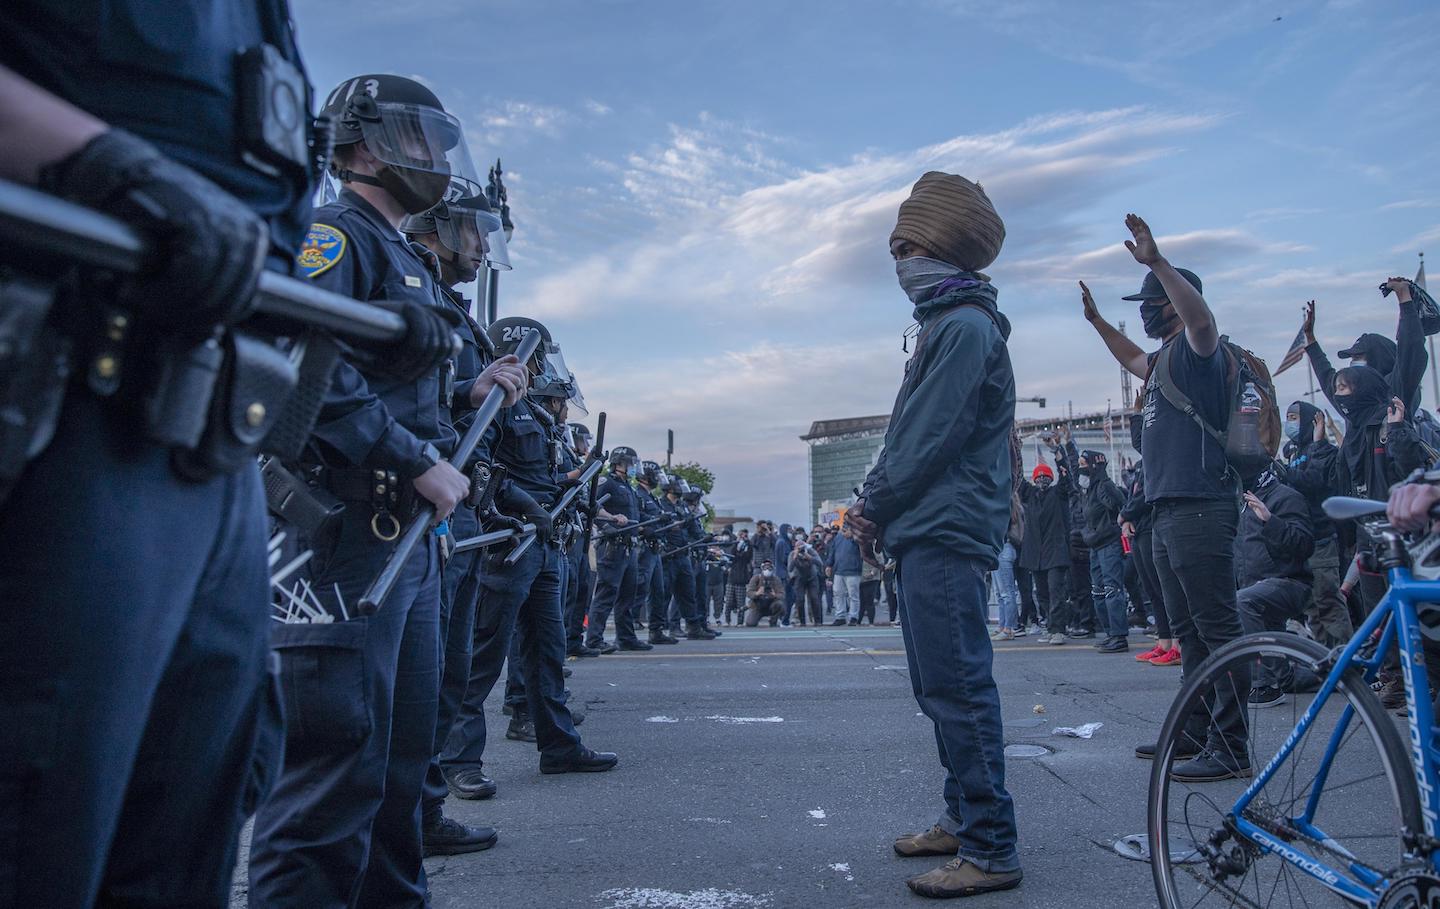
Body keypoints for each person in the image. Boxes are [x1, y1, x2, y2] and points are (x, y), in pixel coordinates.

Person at [0, 7, 377, 903]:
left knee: (192, 815)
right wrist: (99, 165)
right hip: (56, 401)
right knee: (40, 822)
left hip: (207, 433)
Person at [248, 74, 492, 907]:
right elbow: (300, 362)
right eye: (421, 137)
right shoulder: (334, 235)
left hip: (405, 541)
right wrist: (411, 457)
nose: (435, 159)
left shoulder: (397, 250)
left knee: (396, 768)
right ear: (367, 141)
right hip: (342, 536)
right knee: (330, 775)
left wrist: (462, 397)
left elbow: (394, 379)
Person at [848, 171, 1021, 898]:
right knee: (937, 686)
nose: (900, 262)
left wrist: (873, 501)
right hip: (930, 526)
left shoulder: (962, 328)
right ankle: (961, 818)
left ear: (941, 249)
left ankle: (991, 846)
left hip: (945, 527)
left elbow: (925, 438)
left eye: (909, 247)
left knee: (958, 688)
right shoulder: (948, 325)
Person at [1082, 214, 1247, 782]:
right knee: (1191, 632)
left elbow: (1202, 320)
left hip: (1201, 504)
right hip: (1166, 510)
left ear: (1174, 302)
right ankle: (1193, 732)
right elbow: (1131, 358)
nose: (1147, 310)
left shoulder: (1202, 350)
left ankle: (1232, 747)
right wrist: (1099, 322)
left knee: (1217, 629)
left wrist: (1157, 262)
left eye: (1151, 301)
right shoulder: (1159, 364)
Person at [439, 315, 617, 805]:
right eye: (539, 356)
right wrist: (527, 504)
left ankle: (558, 745)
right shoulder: (498, 402)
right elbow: (480, 467)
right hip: (508, 542)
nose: (543, 366)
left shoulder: (534, 413)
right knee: (482, 657)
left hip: (545, 543)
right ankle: (459, 762)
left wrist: (565, 488)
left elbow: (537, 476)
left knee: (547, 650)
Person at [401, 193, 528, 855]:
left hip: (447, 509)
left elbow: (431, 397)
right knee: (395, 689)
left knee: (440, 675)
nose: (482, 248)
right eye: (478, 232)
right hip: (401, 506)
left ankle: (419, 816)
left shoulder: (437, 296)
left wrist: (470, 390)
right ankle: (400, 824)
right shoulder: (382, 263)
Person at [1234, 465, 1316, 708]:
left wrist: (1271, 521)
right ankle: (1337, 672)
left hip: (1290, 583)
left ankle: (1265, 685)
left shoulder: (1286, 496)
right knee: (1235, 601)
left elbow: (1305, 545)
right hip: (1256, 587)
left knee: (1242, 602)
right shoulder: (1240, 503)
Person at [1280, 402, 1354, 647]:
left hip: (1322, 538)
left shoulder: (1324, 451)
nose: (1290, 422)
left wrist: (1281, 471)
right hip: (1301, 538)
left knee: (1329, 603)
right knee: (1312, 607)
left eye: (1294, 417)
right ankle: (1324, 659)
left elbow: (1315, 481)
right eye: (1287, 417)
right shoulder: (1290, 451)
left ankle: (1347, 662)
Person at [1300, 279, 1427, 418]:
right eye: (1352, 358)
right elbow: (1326, 378)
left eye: (1358, 357)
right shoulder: (1350, 401)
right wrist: (1310, 339)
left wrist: (1404, 297)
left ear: (1377, 360)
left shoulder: (1395, 392)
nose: (1352, 365)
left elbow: (1411, 348)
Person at [586, 446, 651, 652]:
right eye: (631, 463)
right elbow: (592, 508)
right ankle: (594, 639)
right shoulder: (608, 483)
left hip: (629, 547)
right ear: (620, 463)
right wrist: (608, 527)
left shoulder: (628, 487)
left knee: (627, 596)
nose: (633, 467)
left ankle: (626, 637)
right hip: (612, 547)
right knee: (607, 594)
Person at [1075, 448, 1130, 653]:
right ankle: (1110, 633)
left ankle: (1119, 635)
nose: (1080, 470)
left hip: (1108, 543)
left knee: (1111, 589)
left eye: (1083, 465)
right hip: (1095, 545)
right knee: (1098, 591)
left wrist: (1121, 524)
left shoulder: (1104, 486)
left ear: (1093, 466)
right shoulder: (1089, 490)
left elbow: (1122, 504)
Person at [1019, 459, 1073, 645]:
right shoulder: (1030, 495)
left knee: (1056, 591)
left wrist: (1059, 458)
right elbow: (1016, 477)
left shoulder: (1058, 494)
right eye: (1039, 476)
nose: (1042, 479)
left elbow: (1067, 481)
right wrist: (1014, 451)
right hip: (1035, 554)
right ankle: (1051, 626)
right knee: (1042, 593)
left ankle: (1059, 629)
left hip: (1055, 551)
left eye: (1045, 476)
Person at [827, 523, 865, 625]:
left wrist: (852, 536)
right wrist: (829, 565)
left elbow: (863, 547)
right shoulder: (838, 537)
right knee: (838, 593)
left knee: (853, 595)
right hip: (839, 570)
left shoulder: (858, 536)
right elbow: (833, 551)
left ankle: (853, 616)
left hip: (853, 570)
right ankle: (840, 616)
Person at [788, 539, 826, 625]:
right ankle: (802, 622)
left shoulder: (810, 551)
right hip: (799, 578)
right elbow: (789, 569)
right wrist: (795, 557)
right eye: (798, 547)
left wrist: (809, 557)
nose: (801, 549)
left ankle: (818, 621)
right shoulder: (792, 554)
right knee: (800, 600)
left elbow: (820, 563)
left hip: (812, 577)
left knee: (814, 598)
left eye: (802, 547)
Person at [724, 528, 754, 624]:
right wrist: (737, 543)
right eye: (741, 535)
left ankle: (740, 622)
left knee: (741, 603)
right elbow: (732, 555)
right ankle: (727, 620)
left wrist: (747, 543)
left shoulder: (748, 546)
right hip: (731, 578)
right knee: (728, 602)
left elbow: (748, 556)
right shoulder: (735, 545)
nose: (742, 537)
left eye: (744, 535)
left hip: (742, 578)